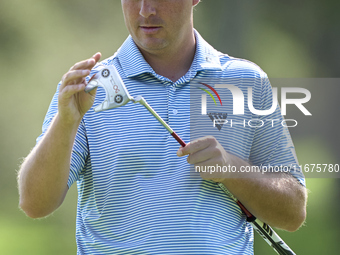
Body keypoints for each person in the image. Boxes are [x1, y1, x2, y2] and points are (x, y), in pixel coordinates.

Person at [18, 0, 307, 254]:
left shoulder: (246, 80)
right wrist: (66, 122)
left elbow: (293, 211)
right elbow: (35, 203)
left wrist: (233, 169)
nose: (146, 10)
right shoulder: (89, 88)